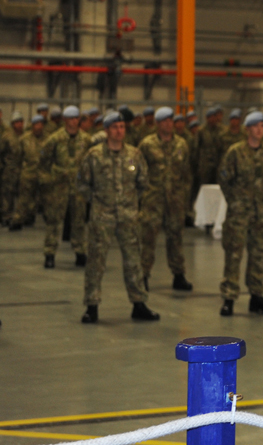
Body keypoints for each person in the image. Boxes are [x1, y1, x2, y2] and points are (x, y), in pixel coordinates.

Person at [77, 111, 159, 323]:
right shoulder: (94, 156)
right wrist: (98, 203)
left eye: (122, 127)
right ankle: (91, 305)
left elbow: (142, 183)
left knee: (133, 260)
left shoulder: (134, 154)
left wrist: (129, 203)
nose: (119, 131)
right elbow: (83, 185)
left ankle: (139, 303)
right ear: (106, 130)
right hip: (102, 217)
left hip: (128, 216)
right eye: (114, 127)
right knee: (96, 261)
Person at [217, 111, 263, 316]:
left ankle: (256, 296)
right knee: (234, 254)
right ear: (247, 130)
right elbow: (224, 178)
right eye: (256, 126)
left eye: (262, 126)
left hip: (260, 213)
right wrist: (235, 201)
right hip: (239, 213)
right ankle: (229, 297)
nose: (260, 130)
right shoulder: (235, 152)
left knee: (258, 254)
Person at [138, 107, 193, 291]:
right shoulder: (147, 144)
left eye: (170, 120)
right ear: (157, 124)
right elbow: (135, 166)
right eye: (164, 121)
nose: (168, 124)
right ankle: (143, 275)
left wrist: (184, 195)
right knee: (148, 238)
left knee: (176, 236)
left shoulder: (182, 144)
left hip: (175, 199)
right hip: (153, 199)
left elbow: (186, 172)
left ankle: (179, 275)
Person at [38, 105, 91, 268]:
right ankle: (50, 253)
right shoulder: (54, 139)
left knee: (79, 220)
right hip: (59, 186)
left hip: (78, 187)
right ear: (65, 120)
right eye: (70, 119)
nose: (73, 122)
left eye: (76, 118)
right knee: (54, 220)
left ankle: (80, 252)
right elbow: (43, 160)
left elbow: (91, 161)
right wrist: (48, 180)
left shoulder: (86, 140)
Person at [9, 115, 47, 230]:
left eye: (41, 124)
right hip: (28, 173)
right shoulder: (24, 139)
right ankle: (18, 219)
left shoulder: (49, 139)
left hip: (43, 173)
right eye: (36, 124)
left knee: (45, 199)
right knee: (24, 199)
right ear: (32, 126)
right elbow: (18, 157)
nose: (39, 127)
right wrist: (18, 172)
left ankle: (47, 220)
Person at [0, 111, 24, 226]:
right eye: (17, 122)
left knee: (20, 194)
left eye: (21, 122)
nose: (19, 124)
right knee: (7, 194)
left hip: (21, 168)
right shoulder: (7, 136)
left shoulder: (25, 136)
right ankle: (6, 216)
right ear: (13, 124)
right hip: (9, 169)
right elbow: (0, 152)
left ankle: (17, 216)